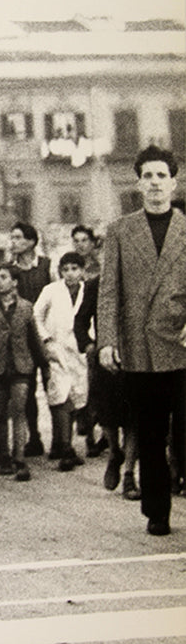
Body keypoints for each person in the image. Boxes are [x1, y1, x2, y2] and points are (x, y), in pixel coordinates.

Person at [98, 145, 186, 536]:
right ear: (138, 183)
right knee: (150, 431)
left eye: (161, 176)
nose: (154, 183)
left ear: (174, 182)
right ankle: (157, 510)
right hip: (140, 345)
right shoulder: (120, 230)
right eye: (147, 176)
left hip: (181, 341)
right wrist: (107, 340)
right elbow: (108, 291)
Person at [0, 264, 47, 482]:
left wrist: (44, 363)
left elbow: (34, 337)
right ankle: (3, 454)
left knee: (19, 409)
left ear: (14, 282)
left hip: (21, 366)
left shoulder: (26, 307)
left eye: (4, 277)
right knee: (1, 412)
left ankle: (19, 458)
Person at [74, 273, 140, 501]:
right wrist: (89, 345)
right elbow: (80, 321)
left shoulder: (139, 279)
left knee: (134, 419)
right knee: (108, 417)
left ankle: (129, 474)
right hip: (106, 360)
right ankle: (114, 452)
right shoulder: (96, 284)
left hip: (135, 358)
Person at [34, 253, 89, 471]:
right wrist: (46, 339)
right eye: (66, 269)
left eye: (75, 269)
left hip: (79, 352)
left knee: (76, 396)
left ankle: (63, 442)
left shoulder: (88, 291)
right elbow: (36, 315)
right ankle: (66, 448)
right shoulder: (51, 291)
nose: (70, 274)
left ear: (82, 270)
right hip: (56, 350)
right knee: (60, 397)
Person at [9, 221, 53, 457]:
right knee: (26, 388)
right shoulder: (9, 270)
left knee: (53, 383)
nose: (13, 242)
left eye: (18, 237)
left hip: (45, 334)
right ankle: (34, 437)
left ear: (31, 241)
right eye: (12, 237)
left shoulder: (47, 266)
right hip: (21, 337)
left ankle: (61, 440)